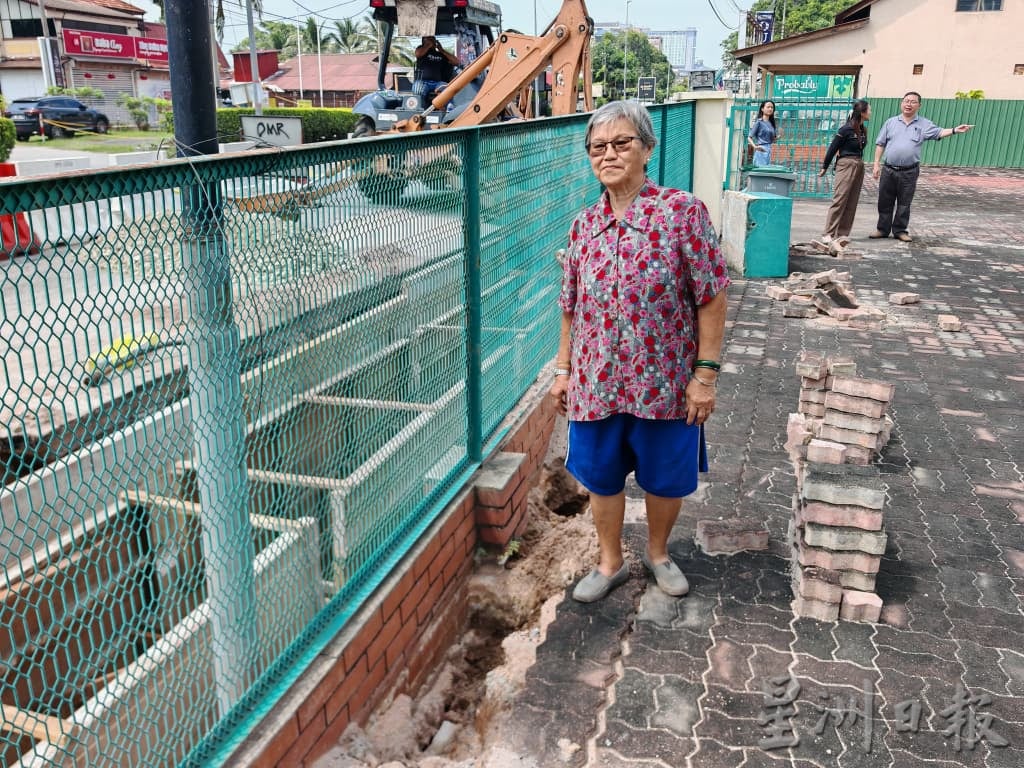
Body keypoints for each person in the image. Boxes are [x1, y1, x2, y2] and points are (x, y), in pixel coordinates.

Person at [550, 100, 730, 603]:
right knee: (600, 477)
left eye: (621, 143)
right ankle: (610, 562)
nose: (608, 154)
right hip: (596, 381)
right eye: (597, 147)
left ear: (647, 148)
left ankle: (658, 553)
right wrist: (563, 370)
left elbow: (712, 295)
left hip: (665, 382)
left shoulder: (681, 212)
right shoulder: (583, 225)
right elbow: (570, 305)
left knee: (665, 477)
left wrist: (705, 376)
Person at [871, 91, 974, 242]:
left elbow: (939, 132)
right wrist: (876, 164)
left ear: (919, 105)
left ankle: (900, 230)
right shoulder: (890, 122)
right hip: (889, 169)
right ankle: (882, 229)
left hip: (909, 171)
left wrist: (954, 130)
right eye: (906, 101)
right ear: (901, 103)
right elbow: (880, 143)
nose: (909, 104)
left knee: (904, 202)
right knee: (884, 201)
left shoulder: (924, 124)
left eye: (913, 102)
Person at [817, 99, 871, 250]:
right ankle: (828, 233)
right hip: (846, 163)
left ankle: (842, 233)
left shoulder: (863, 130)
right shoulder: (845, 129)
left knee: (852, 201)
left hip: (858, 164)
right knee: (840, 199)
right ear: (862, 112)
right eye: (869, 110)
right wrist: (825, 166)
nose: (871, 113)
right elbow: (833, 147)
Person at [413, 36, 460, 108]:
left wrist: (442, 50)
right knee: (417, 88)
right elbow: (418, 54)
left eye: (433, 39)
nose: (432, 41)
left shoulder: (440, 54)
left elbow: (456, 62)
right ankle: (420, 109)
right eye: (429, 39)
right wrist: (428, 45)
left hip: (438, 83)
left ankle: (449, 109)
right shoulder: (421, 50)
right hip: (423, 81)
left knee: (447, 90)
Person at [747, 100, 778, 167]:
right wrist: (755, 147)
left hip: (769, 150)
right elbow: (749, 137)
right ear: (762, 109)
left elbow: (773, 140)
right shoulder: (759, 122)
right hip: (761, 150)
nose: (770, 109)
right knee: (760, 171)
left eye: (772, 107)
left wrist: (777, 137)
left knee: (766, 172)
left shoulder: (771, 123)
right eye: (768, 107)